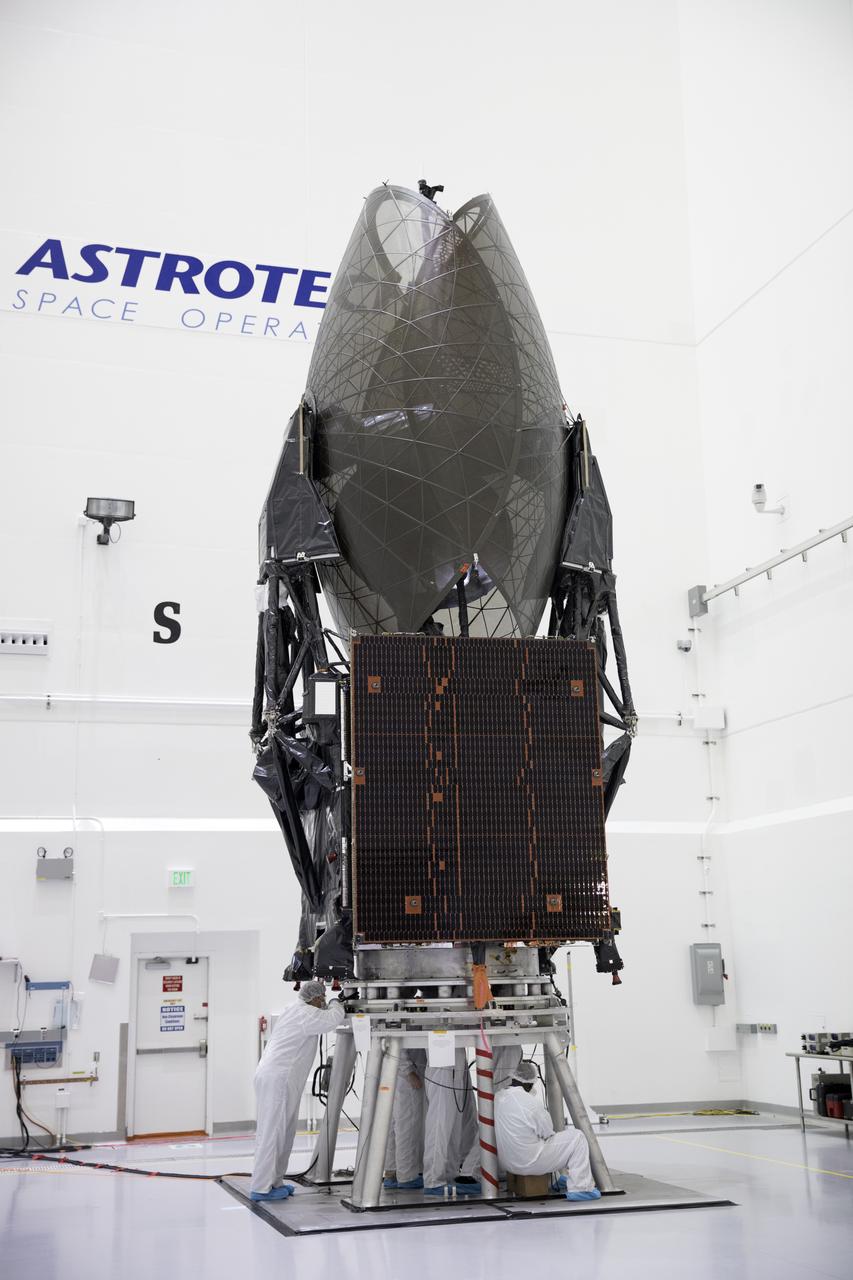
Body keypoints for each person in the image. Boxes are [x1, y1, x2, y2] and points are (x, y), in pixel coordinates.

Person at [250, 979, 345, 1202]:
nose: (323, 1002)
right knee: (272, 1132)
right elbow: (333, 1019)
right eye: (321, 998)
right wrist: (337, 1003)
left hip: (277, 1078)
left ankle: (275, 1182)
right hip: (278, 1079)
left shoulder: (295, 1010)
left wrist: (331, 1002)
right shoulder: (306, 1013)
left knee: (283, 1131)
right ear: (314, 998)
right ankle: (261, 1187)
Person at [493, 1060, 601, 1201]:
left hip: (506, 1163)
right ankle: (581, 1189)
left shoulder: (498, 1097)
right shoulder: (529, 1103)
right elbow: (548, 1132)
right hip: (528, 1163)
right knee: (577, 1138)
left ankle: (554, 1179)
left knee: (535, 1141)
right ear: (529, 1083)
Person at [455, 1043, 522, 1194]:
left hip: (507, 1040)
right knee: (495, 1114)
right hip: (505, 1041)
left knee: (496, 1113)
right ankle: (469, 1172)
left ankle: (476, 1169)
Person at [422, 1048, 477, 1194]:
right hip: (442, 1060)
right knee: (440, 1124)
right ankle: (433, 1180)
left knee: (454, 1127)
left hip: (455, 1061)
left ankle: (450, 1176)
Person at [383, 1048, 427, 1190]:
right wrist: (408, 1071)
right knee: (407, 1126)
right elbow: (395, 1045)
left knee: (394, 1127)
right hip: (406, 1076)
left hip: (393, 1073)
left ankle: (391, 1173)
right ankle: (407, 1176)